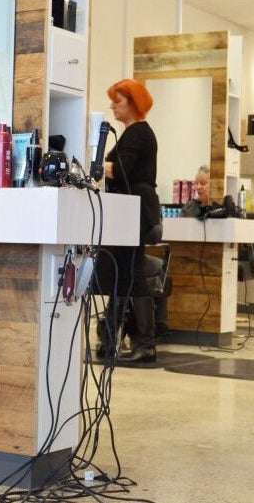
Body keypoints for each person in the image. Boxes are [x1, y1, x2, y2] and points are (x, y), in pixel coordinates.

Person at [97, 78, 161, 363]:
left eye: (118, 101)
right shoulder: (133, 134)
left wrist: (95, 165)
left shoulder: (138, 134)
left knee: (131, 271)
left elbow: (122, 170)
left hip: (134, 210)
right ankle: (112, 337)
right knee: (123, 271)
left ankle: (144, 342)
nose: (112, 106)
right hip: (129, 209)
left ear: (133, 104)